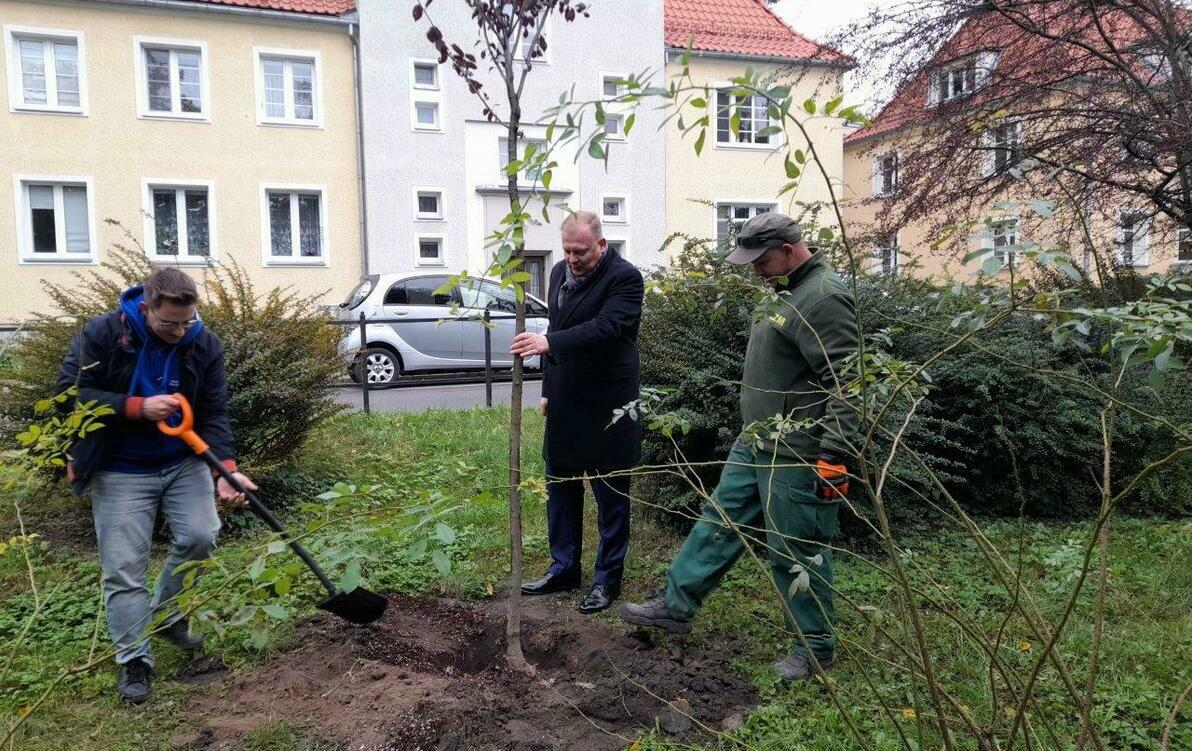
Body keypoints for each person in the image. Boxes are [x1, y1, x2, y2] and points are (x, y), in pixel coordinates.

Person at [617, 212, 860, 681]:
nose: (755, 269)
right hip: (756, 443)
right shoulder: (785, 291)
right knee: (718, 522)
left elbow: (850, 382)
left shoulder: (824, 297)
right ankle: (675, 604)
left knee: (796, 550)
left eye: (761, 260)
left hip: (798, 452)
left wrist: (833, 455)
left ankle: (815, 648)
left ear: (789, 249)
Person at [56, 267, 255, 704]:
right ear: (146, 309)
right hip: (120, 468)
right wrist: (135, 407)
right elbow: (70, 395)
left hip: (182, 462)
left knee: (201, 537)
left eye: (187, 321)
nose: (179, 331)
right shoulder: (103, 334)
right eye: (169, 323)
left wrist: (226, 470)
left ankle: (166, 616)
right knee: (125, 568)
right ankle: (135, 659)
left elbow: (215, 411)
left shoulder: (203, 343)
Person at [511, 210, 645, 614]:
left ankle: (607, 580)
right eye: (567, 250)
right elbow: (556, 326)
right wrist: (548, 389)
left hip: (609, 405)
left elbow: (608, 328)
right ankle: (564, 567)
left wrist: (549, 342)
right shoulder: (556, 274)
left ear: (601, 245)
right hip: (566, 401)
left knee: (611, 496)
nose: (572, 258)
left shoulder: (625, 278)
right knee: (561, 488)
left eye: (581, 251)